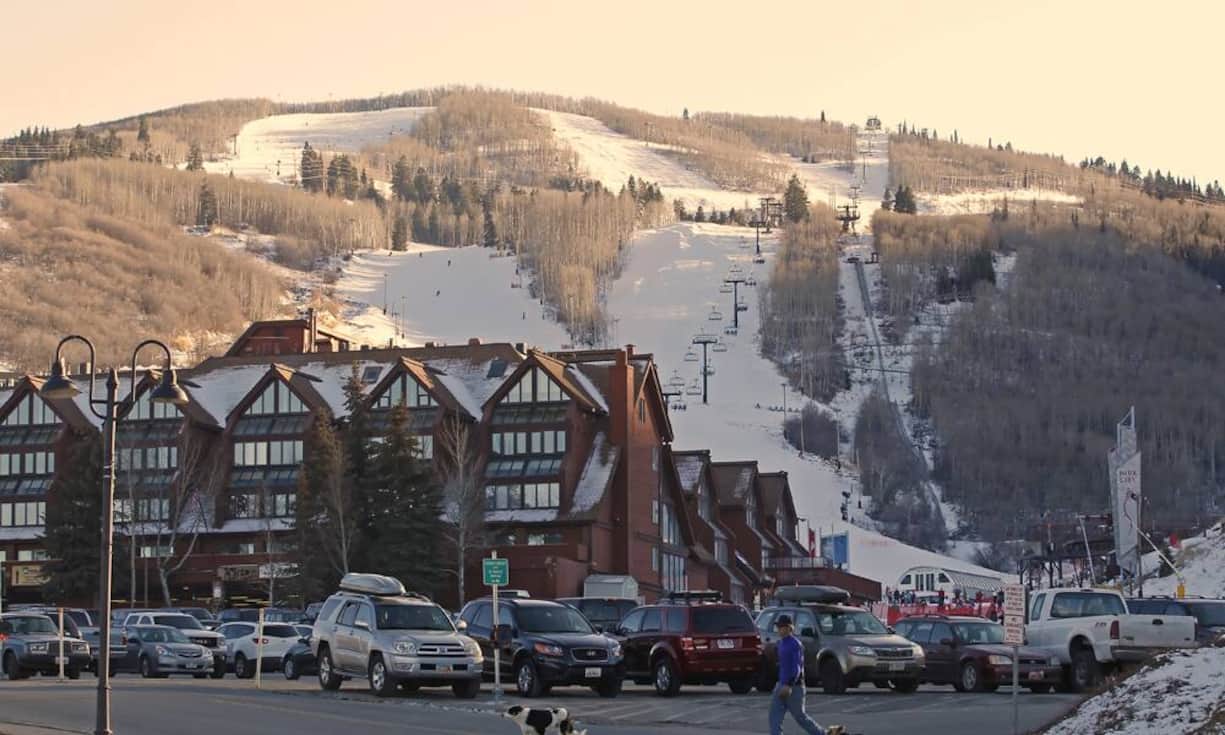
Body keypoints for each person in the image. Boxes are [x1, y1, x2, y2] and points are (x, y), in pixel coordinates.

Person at [769, 614, 844, 735]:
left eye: (782, 627)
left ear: (790, 628)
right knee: (774, 716)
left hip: (794, 687)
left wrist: (788, 685)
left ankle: (823, 734)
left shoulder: (795, 644)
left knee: (800, 717)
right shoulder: (781, 643)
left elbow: (796, 667)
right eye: (778, 627)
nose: (779, 629)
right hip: (781, 685)